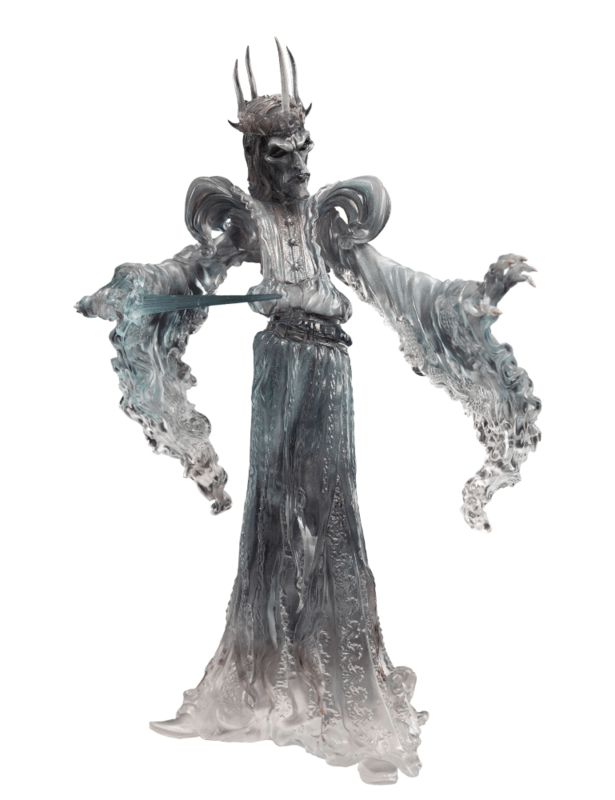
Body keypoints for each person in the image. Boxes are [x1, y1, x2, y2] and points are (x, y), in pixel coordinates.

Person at [77, 42, 540, 785]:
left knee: (331, 518)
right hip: (277, 365)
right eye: (278, 152)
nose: (295, 163)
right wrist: (126, 294)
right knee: (271, 517)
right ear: (254, 156)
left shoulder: (329, 221)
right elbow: (183, 273)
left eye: (301, 148)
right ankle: (251, 684)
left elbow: (402, 287)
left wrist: (481, 293)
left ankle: (357, 706)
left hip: (327, 368)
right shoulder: (247, 223)